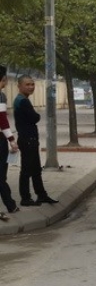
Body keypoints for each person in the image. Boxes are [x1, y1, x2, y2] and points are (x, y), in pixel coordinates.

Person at [13, 75, 59, 207]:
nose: (31, 87)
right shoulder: (23, 101)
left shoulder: (22, 100)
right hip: (28, 139)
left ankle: (42, 195)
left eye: (32, 84)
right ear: (19, 86)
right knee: (27, 170)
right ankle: (25, 198)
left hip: (29, 139)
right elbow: (34, 118)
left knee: (35, 170)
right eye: (27, 84)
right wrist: (37, 115)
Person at [0, 66, 19, 221]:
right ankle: (10, 205)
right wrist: (11, 140)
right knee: (1, 175)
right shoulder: (0, 96)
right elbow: (2, 120)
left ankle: (10, 204)